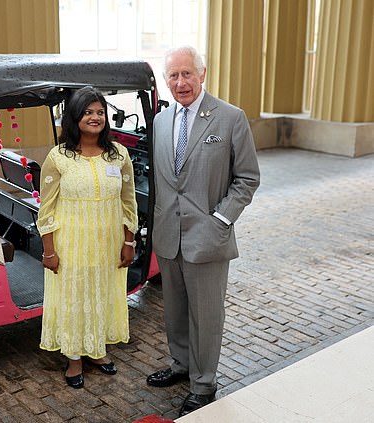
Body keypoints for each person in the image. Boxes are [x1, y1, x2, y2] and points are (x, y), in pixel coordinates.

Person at [148, 46, 260, 416]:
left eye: (187, 74)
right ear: (166, 81)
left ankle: (204, 382)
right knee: (175, 311)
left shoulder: (230, 118)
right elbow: (166, 183)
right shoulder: (161, 122)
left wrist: (222, 220)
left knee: (206, 316)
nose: (180, 83)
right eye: (173, 76)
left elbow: (247, 178)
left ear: (203, 74)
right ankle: (182, 366)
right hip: (168, 235)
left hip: (208, 237)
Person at [37, 86, 138, 389]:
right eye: (88, 112)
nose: (95, 118)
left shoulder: (119, 154)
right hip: (72, 242)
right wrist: (49, 251)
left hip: (108, 242)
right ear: (75, 117)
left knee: (102, 292)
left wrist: (129, 241)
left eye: (100, 112)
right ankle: (74, 358)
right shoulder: (59, 157)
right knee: (74, 296)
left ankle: (96, 350)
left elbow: (128, 201)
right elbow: (48, 207)